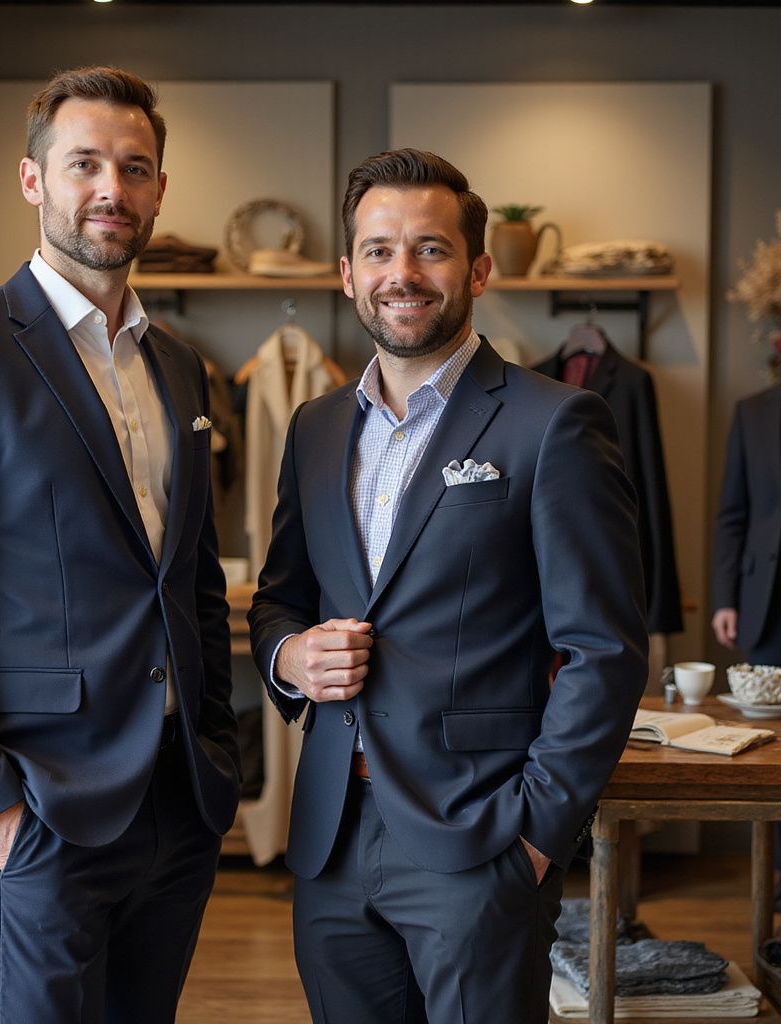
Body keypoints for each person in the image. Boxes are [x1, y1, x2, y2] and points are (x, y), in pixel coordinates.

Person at [0, 66, 240, 1023]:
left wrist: (215, 751)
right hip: (35, 810)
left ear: (159, 189)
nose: (112, 188)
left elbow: (189, 577)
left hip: (177, 805)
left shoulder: (182, 368)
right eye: (85, 164)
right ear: (33, 180)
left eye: (135, 167)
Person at [248, 148, 648, 1024]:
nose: (403, 273)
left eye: (429, 249)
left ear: (477, 268)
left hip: (480, 837)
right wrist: (290, 654)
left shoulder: (555, 424)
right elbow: (278, 597)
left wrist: (538, 838)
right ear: (347, 272)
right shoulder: (315, 429)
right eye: (380, 251)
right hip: (331, 838)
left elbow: (605, 650)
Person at [711, 382, 781, 904]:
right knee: (771, 750)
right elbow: (732, 515)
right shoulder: (752, 411)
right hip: (767, 602)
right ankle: (778, 878)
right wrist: (726, 598)